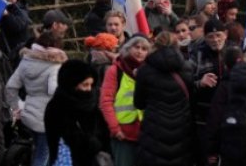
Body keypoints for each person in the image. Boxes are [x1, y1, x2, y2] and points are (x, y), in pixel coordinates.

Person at [5, 32, 68, 166]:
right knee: (43, 155)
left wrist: (16, 107)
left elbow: (10, 86)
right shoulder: (55, 65)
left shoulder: (26, 61)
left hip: (30, 113)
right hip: (49, 117)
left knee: (38, 150)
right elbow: (53, 90)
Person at [134, 32, 193, 166]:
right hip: (182, 130)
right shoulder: (187, 67)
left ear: (155, 45)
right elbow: (191, 98)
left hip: (154, 131)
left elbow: (139, 103)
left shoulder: (145, 70)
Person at [45, 60, 111, 166]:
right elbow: (67, 139)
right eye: (85, 85)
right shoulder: (58, 106)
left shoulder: (91, 103)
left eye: (91, 84)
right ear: (72, 84)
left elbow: (103, 130)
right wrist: (93, 144)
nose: (89, 89)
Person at [99, 34, 151, 166]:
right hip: (123, 134)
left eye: (144, 48)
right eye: (136, 47)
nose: (140, 51)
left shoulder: (151, 71)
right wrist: (115, 129)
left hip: (147, 133)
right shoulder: (115, 70)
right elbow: (106, 102)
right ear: (128, 48)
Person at [0, 0, 32, 66]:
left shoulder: (21, 9)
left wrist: (7, 15)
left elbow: (18, 25)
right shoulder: (2, 7)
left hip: (19, 51)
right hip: (6, 51)